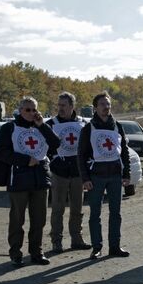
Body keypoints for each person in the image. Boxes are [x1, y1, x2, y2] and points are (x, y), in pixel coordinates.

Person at [0, 96, 61, 267]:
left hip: (40, 179)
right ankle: (16, 253)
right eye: (27, 110)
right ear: (20, 110)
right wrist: (25, 160)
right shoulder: (9, 128)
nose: (31, 113)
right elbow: (2, 153)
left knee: (39, 219)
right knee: (17, 219)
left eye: (34, 110)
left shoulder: (42, 127)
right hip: (18, 179)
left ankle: (36, 252)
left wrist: (42, 125)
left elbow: (56, 143)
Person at [77, 92, 131, 259]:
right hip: (96, 177)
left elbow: (124, 152)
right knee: (95, 214)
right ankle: (97, 247)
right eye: (102, 104)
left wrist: (126, 173)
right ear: (95, 107)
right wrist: (85, 179)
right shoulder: (88, 128)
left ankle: (115, 246)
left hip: (115, 176)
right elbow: (81, 155)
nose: (106, 107)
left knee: (116, 213)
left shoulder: (117, 126)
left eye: (108, 104)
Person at [47, 92, 92, 253]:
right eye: (58, 105)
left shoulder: (83, 123)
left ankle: (77, 238)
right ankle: (56, 241)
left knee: (77, 208)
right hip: (59, 172)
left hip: (77, 172)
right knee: (57, 208)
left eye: (64, 105)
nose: (60, 108)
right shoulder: (51, 124)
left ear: (72, 106)